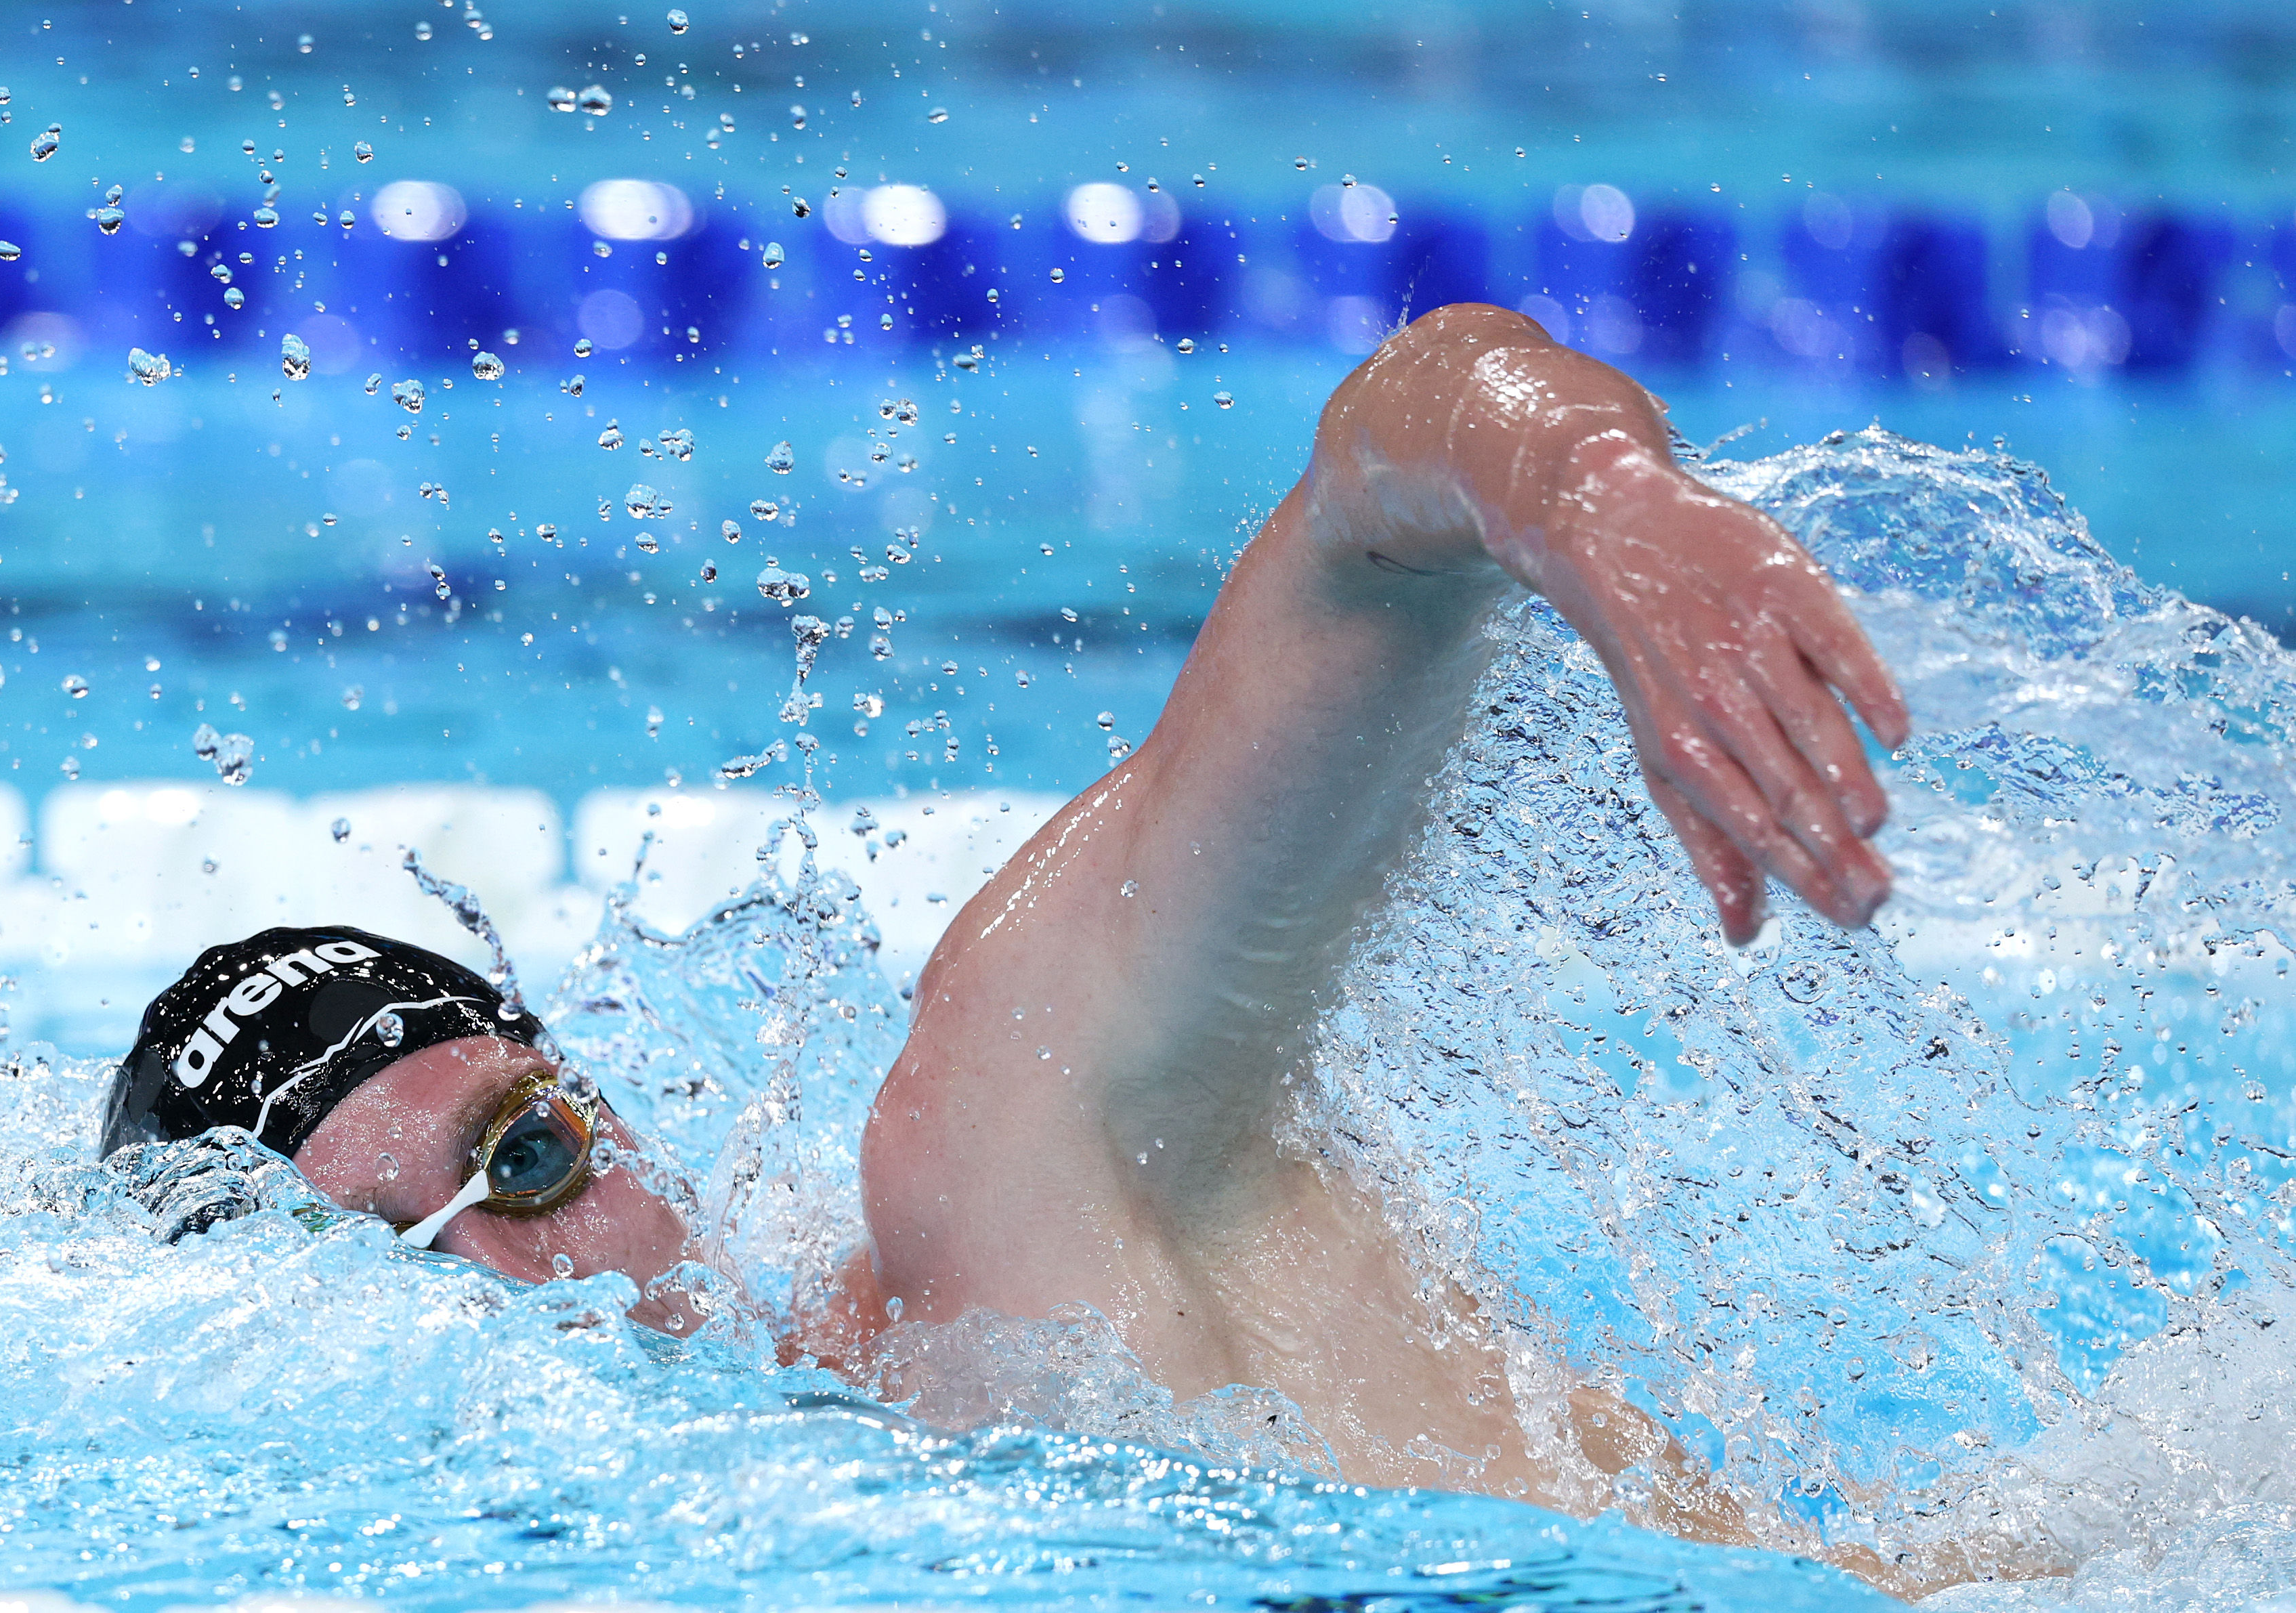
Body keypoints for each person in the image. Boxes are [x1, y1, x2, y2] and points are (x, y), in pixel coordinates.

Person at [103, 305, 1938, 1585]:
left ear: (617, 1116)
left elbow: (1384, 482)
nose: (543, 1282)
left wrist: (1588, 496)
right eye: (401, 1273)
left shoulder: (1001, 1190)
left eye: (531, 1157)